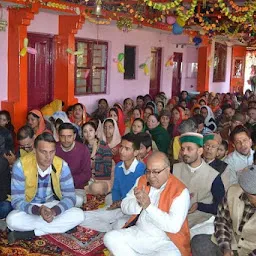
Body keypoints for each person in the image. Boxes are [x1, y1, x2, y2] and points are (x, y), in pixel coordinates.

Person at [104, 152, 191, 256]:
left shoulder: (180, 191)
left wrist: (148, 206)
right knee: (110, 238)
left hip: (165, 241)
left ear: (168, 170)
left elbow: (173, 227)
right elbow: (124, 204)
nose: (151, 176)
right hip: (140, 232)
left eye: (156, 172)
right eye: (148, 171)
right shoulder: (142, 180)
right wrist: (138, 203)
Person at [6, 132, 84, 243]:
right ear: (34, 150)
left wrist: (54, 211)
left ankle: (32, 233)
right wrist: (38, 210)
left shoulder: (62, 165)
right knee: (11, 220)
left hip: (53, 205)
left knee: (79, 215)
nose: (48, 157)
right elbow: (17, 201)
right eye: (43, 152)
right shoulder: (20, 166)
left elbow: (70, 197)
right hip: (30, 207)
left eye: (52, 152)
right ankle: (61, 227)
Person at [81, 133, 146, 232]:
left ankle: (111, 225)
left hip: (133, 209)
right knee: (84, 217)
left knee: (118, 225)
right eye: (121, 147)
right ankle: (110, 224)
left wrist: (120, 204)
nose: (122, 151)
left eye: (127, 149)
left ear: (136, 152)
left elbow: (138, 199)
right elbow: (116, 188)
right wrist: (115, 204)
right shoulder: (119, 166)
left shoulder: (142, 170)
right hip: (119, 205)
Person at [191, 165, 256, 256]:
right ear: (245, 190)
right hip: (231, 243)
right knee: (199, 242)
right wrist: (226, 248)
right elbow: (222, 220)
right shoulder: (233, 192)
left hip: (250, 251)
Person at [173, 132, 225, 231]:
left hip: (199, 223)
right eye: (183, 149)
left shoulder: (213, 176)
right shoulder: (175, 169)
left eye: (189, 149)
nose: (184, 153)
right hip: (173, 219)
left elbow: (221, 206)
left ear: (200, 151)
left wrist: (199, 206)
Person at [55, 123, 91, 207]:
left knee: (78, 201)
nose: (66, 140)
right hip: (56, 188)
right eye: (63, 136)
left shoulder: (83, 150)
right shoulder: (53, 149)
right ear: (58, 136)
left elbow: (87, 174)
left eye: (69, 136)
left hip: (76, 188)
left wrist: (67, 182)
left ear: (74, 136)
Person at [82, 121, 114, 195]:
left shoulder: (103, 146)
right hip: (89, 178)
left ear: (95, 132)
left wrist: (91, 164)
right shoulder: (82, 147)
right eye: (85, 131)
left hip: (103, 179)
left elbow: (107, 168)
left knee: (96, 188)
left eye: (90, 130)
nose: (88, 133)